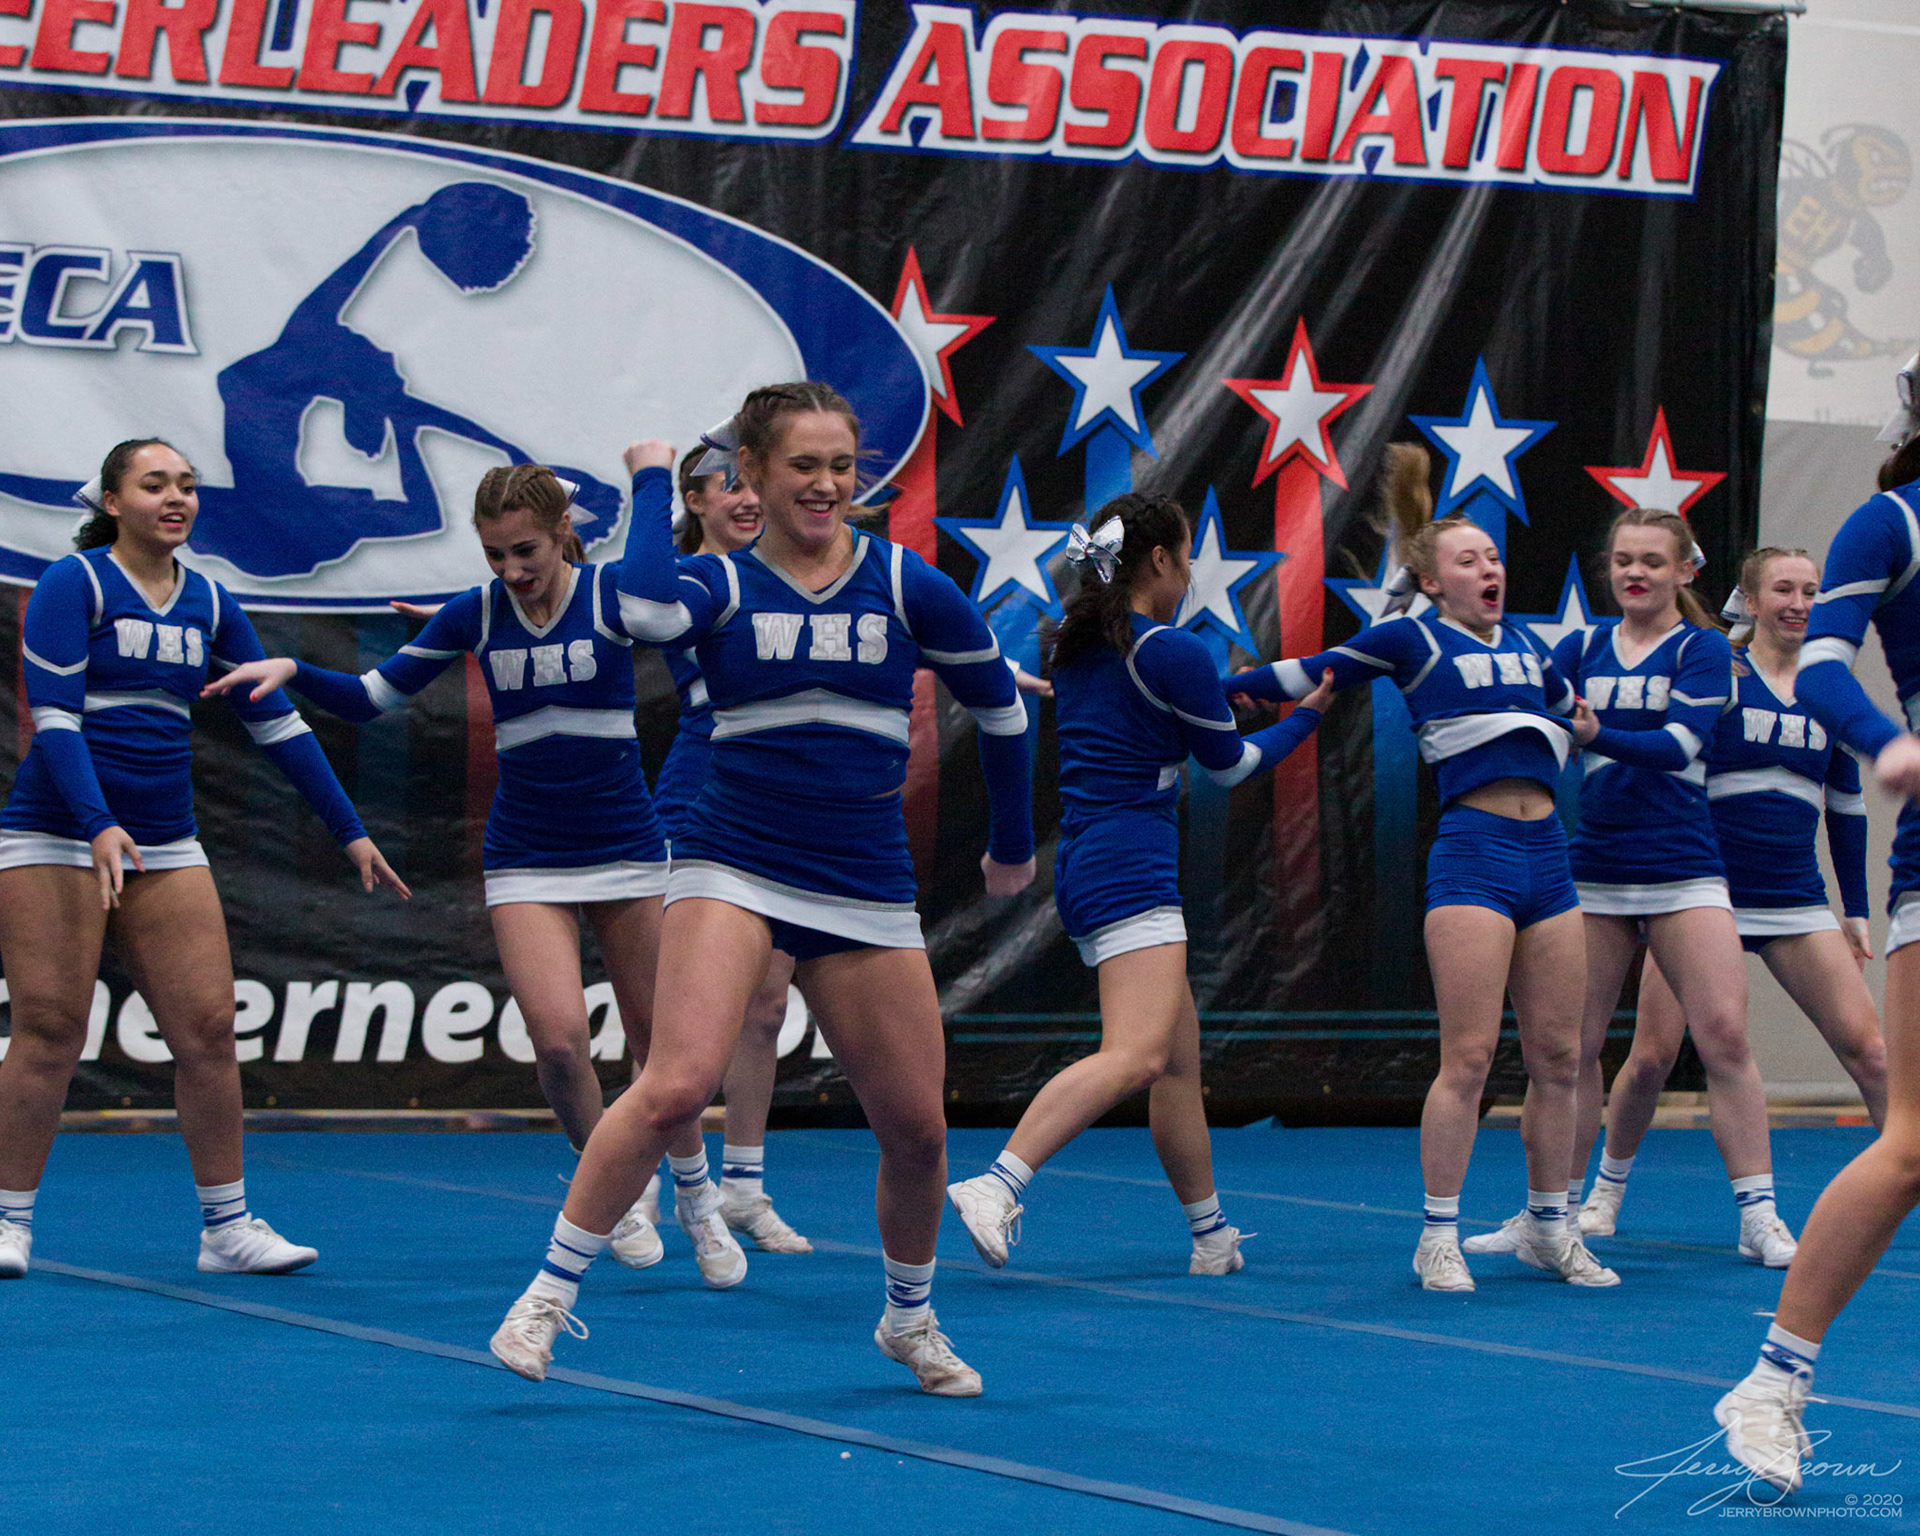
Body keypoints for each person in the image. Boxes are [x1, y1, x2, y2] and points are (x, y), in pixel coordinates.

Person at [487, 383, 1035, 1396]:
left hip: (861, 876)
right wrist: (652, 479)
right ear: (752, 473)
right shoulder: (722, 584)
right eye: (802, 466)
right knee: (675, 1083)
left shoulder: (905, 582)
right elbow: (644, 609)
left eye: (842, 465)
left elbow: (1002, 710)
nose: (826, 485)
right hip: (732, 857)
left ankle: (910, 1320)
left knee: (918, 1131)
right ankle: (548, 1294)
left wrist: (1011, 844)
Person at [205, 460, 746, 1287]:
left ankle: (698, 1197)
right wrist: (294, 673)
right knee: (558, 1043)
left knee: (659, 1049)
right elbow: (370, 698)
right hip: (526, 854)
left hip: (625, 848)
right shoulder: (478, 611)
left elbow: (662, 602)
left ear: (562, 533)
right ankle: (612, 1190)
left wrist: (649, 476)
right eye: (495, 554)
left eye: (526, 551)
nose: (512, 570)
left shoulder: (612, 597)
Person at [0, 439, 407, 1282]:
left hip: (164, 839)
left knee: (211, 1031)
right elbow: (57, 719)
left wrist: (349, 830)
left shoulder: (211, 601)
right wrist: (97, 822)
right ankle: (8, 1220)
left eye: (186, 485)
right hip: (57, 832)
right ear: (113, 502)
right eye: (154, 485)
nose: (176, 498)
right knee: (50, 1029)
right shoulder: (76, 583)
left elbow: (277, 722)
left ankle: (226, 1228)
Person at [1224, 445, 1613, 1291]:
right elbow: (1311, 673)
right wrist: (1215, 687)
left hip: (1549, 860)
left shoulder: (1529, 643)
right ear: (1432, 582)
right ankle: (1438, 1233)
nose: (1489, 569)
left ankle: (1550, 1223)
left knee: (1559, 1056)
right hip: (1474, 857)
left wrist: (1606, 722)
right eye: (1468, 561)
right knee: (1468, 1058)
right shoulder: (1411, 637)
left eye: (1493, 557)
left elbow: (1577, 716)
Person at [948, 494, 1331, 1276]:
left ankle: (1211, 1237)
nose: (1188, 577)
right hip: (1130, 863)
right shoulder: (1169, 651)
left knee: (1177, 1065)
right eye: (1185, 559)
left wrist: (1221, 695)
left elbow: (1147, 711)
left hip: (1095, 859)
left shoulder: (1078, 644)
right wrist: (1307, 716)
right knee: (1136, 1055)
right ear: (1158, 559)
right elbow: (1231, 766)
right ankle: (997, 1182)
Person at [1467, 508, 1801, 1268]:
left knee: (1725, 1037)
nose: (1635, 573)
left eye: (1652, 561)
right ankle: (1546, 1216)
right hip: (1595, 871)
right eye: (1623, 560)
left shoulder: (1703, 649)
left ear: (1684, 571)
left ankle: (1759, 1216)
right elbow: (1525, 705)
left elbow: (1679, 744)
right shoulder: (1581, 649)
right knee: (1568, 1051)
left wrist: (1593, 733)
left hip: (1684, 868)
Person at [1712, 370, 1920, 1492]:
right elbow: (1826, 666)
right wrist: (1888, 744)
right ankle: (1773, 1379)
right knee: (1913, 1143)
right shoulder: (1890, 521)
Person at [1581, 549, 1887, 1239]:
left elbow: (1845, 806)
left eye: (1811, 591)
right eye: (1783, 589)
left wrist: (1857, 910)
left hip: (1793, 897)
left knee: (1871, 1052)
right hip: (1700, 893)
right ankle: (1605, 1190)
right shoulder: (1719, 673)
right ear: (1749, 600)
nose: (1799, 604)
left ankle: (1906, 1178)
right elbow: (1663, 756)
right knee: (1651, 1057)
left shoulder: (1829, 690)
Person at [641, 446, 810, 1256]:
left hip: (781, 793)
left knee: (768, 1003)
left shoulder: (791, 570)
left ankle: (743, 1186)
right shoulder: (687, 581)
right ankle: (645, 1178)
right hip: (705, 787)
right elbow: (588, 602)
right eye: (729, 487)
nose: (746, 499)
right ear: (695, 499)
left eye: (752, 485)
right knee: (672, 1009)